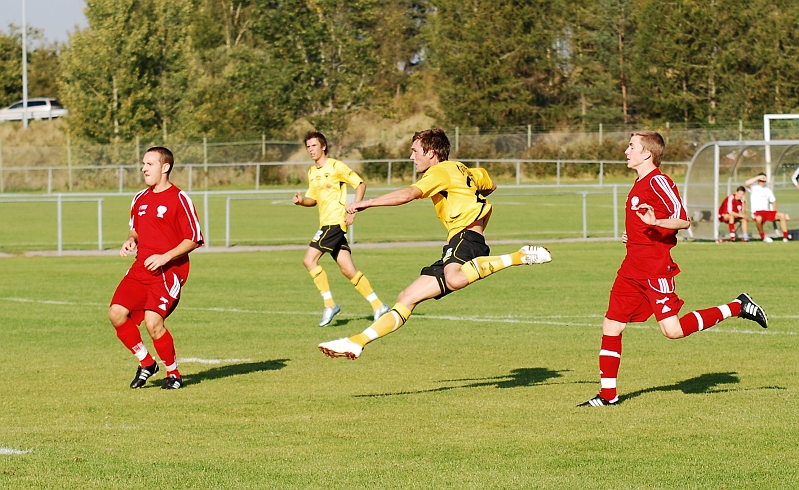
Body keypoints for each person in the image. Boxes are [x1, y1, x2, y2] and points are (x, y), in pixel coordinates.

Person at [318, 128, 552, 360]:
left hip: (465, 237)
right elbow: (489, 183)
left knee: (455, 277)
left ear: (431, 153)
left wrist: (367, 203)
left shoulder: (440, 172)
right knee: (407, 297)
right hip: (462, 240)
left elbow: (409, 193)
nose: (411, 157)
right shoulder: (460, 168)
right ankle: (357, 342)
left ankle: (518, 257)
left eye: (415, 151)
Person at [580, 131, 768, 407]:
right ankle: (608, 396)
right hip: (631, 268)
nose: (626, 151)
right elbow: (646, 222)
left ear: (646, 153)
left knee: (673, 331)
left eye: (631, 146)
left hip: (655, 269)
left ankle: (737, 307)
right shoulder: (639, 182)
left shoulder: (659, 181)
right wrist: (633, 234)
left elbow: (682, 220)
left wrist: (656, 222)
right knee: (611, 325)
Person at [108, 147, 204, 390]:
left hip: (168, 272)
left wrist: (165, 257)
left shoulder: (180, 199)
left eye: (149, 164)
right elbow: (135, 228)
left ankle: (174, 374)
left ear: (165, 167)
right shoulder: (139, 198)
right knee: (116, 314)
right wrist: (131, 239)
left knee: (153, 323)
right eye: (143, 164)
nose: (144, 168)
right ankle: (147, 363)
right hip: (141, 269)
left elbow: (194, 237)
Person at [293, 131, 389, 327]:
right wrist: (302, 201)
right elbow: (313, 199)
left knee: (309, 260)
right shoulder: (312, 172)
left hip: (335, 223)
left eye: (314, 146)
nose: (311, 150)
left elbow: (360, 184)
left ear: (323, 147)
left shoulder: (336, 166)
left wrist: (355, 207)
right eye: (308, 147)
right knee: (348, 269)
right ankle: (379, 306)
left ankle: (330, 304)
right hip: (325, 223)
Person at [745, 173, 789, 242]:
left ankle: (785, 237)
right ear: (758, 181)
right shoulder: (754, 187)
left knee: (782, 215)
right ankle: (763, 236)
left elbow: (773, 201)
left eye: (764, 181)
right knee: (759, 219)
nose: (763, 182)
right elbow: (747, 183)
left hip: (766, 211)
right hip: (757, 212)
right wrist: (758, 177)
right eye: (761, 181)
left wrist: (773, 211)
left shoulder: (767, 190)